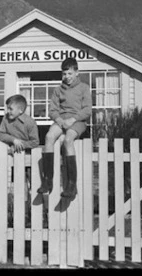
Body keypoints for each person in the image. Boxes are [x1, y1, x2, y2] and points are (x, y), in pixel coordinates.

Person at [38, 57, 91, 200]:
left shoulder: (84, 88)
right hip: (61, 120)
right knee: (49, 137)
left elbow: (87, 110)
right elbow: (52, 110)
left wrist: (73, 119)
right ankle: (48, 181)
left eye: (70, 74)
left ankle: (71, 185)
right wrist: (60, 120)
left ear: (76, 73)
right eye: (64, 74)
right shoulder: (58, 90)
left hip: (77, 120)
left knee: (68, 140)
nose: (66, 77)